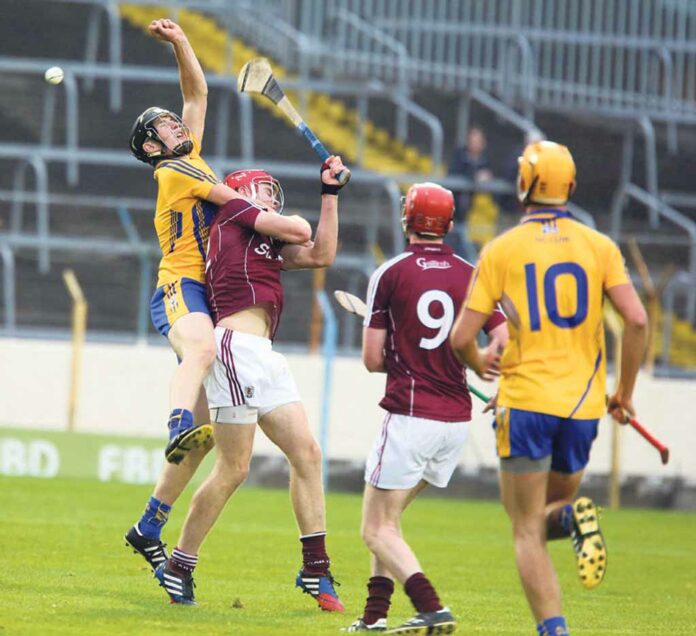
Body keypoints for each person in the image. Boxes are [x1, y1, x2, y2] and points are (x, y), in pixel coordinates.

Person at [449, 141, 647, 636]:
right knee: (543, 516)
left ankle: (553, 630)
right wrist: (623, 393)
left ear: (522, 185)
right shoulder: (600, 246)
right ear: (571, 189)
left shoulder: (501, 250)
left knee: (525, 527)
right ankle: (577, 517)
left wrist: (479, 361)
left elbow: (459, 338)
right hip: (582, 408)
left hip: (525, 403)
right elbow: (638, 320)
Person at [153, 158, 350, 609]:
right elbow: (302, 232)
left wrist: (329, 195)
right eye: (265, 190)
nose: (271, 199)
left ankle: (315, 569)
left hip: (264, 356)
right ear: (241, 190)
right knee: (234, 468)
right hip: (235, 349)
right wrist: (298, 215)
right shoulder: (233, 212)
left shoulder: (261, 238)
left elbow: (322, 254)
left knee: (307, 453)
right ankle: (180, 564)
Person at [343, 183, 508, 633]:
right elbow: (503, 339)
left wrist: (403, 354)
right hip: (454, 422)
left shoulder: (390, 273)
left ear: (406, 220)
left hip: (411, 418)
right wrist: (502, 385)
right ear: (450, 225)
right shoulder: (471, 274)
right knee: (388, 522)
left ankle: (431, 607)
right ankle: (374, 618)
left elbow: (373, 360)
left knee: (375, 529)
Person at [123, 18, 250, 573]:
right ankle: (174, 421)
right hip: (180, 287)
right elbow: (233, 205)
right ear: (152, 146)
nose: (177, 122)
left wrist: (182, 42)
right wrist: (279, 223)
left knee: (206, 444)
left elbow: (196, 91)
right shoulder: (174, 167)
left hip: (208, 294)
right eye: (165, 125)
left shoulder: (188, 154)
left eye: (175, 120)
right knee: (198, 359)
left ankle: (148, 525)